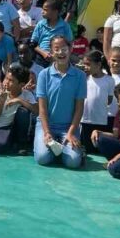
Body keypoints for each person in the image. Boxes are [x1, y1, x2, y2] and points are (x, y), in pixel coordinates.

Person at [33, 36, 86, 168]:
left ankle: (66, 149)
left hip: (68, 127)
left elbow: (79, 109)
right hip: (46, 125)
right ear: (51, 52)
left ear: (70, 49)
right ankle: (53, 146)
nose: (61, 52)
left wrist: (70, 133)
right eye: (57, 49)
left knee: (73, 162)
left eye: (64, 48)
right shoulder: (43, 75)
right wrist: (47, 132)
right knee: (42, 158)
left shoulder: (80, 76)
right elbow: (42, 110)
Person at [0, 64, 37, 155]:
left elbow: (37, 111)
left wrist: (19, 100)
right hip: (2, 126)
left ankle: (21, 143)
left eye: (11, 80)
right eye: (6, 78)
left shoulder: (27, 94)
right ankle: (11, 141)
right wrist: (2, 101)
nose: (6, 82)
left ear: (21, 84)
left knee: (23, 111)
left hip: (18, 127)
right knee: (0, 148)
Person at [80, 50, 114, 154]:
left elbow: (109, 100)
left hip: (101, 121)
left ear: (99, 64)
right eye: (84, 64)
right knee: (88, 149)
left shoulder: (109, 80)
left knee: (100, 149)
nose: (85, 67)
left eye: (88, 64)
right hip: (86, 120)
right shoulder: (84, 78)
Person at [29, 0, 73, 66]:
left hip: (59, 58)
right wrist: (44, 53)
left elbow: (70, 44)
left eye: (45, 10)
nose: (42, 12)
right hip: (41, 58)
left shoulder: (65, 26)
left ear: (55, 12)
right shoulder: (40, 24)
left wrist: (64, 57)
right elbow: (33, 44)